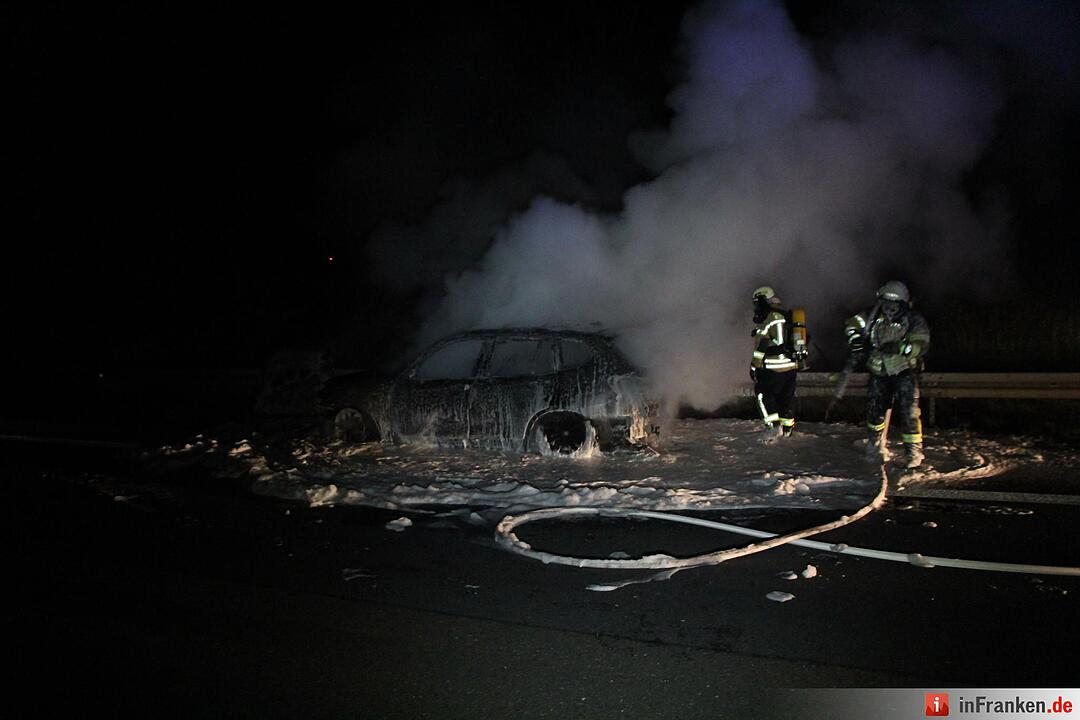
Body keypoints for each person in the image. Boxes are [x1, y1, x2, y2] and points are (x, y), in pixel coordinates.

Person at [843, 280, 931, 468]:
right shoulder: (871, 316)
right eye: (886, 303)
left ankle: (913, 452)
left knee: (909, 413)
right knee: (875, 412)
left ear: (903, 303)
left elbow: (921, 343)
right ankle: (874, 445)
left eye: (894, 304)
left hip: (904, 371)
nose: (889, 308)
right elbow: (851, 325)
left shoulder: (913, 320)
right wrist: (856, 339)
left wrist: (902, 347)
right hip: (878, 371)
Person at [750, 285, 800, 442]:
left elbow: (764, 344)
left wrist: (754, 365)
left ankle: (772, 429)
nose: (755, 306)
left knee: (762, 395)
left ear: (763, 299)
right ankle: (787, 431)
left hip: (773, 367)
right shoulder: (786, 316)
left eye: (757, 302)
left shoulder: (771, 317)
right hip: (790, 367)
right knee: (786, 399)